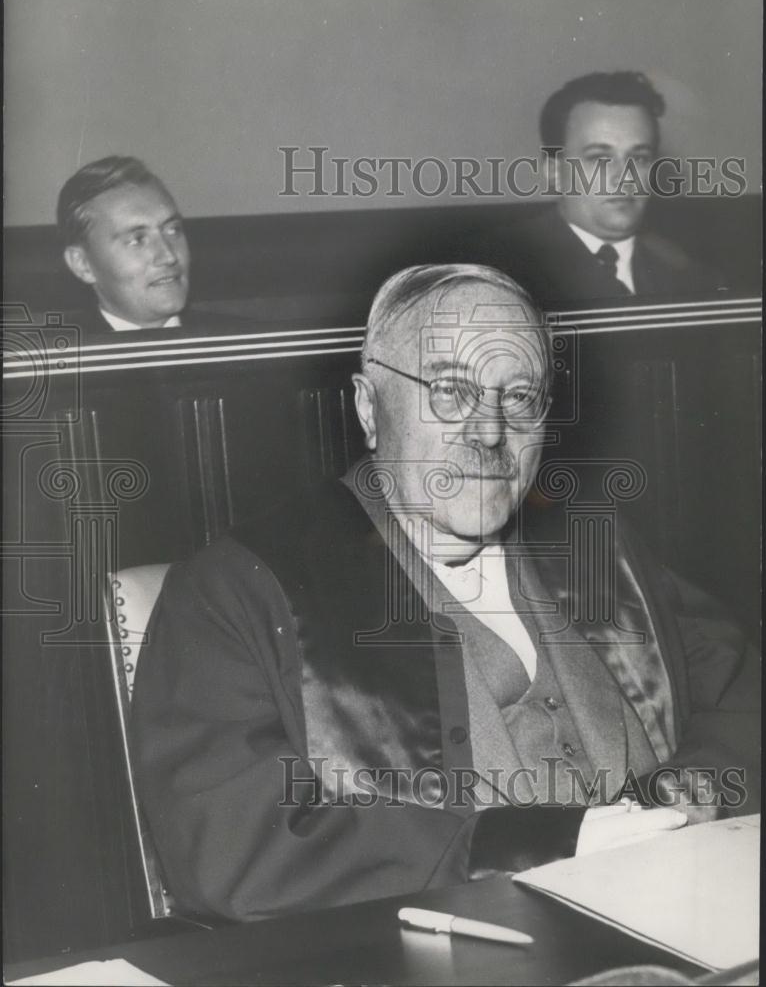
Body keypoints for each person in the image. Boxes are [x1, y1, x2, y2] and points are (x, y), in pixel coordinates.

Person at [131, 264, 757, 921]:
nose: (490, 435)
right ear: (370, 408)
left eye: (519, 397)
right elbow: (234, 845)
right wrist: (535, 844)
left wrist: (696, 784)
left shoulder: (594, 544)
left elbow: (740, 694)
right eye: (451, 393)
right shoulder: (241, 589)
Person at [473, 72, 725, 303]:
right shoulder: (497, 272)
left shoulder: (691, 276)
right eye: (599, 158)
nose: (625, 177)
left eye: (639, 158)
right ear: (554, 171)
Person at [57, 155, 248, 338]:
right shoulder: (52, 359)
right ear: (82, 265)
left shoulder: (245, 343)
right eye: (137, 240)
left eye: (173, 230)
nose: (168, 256)